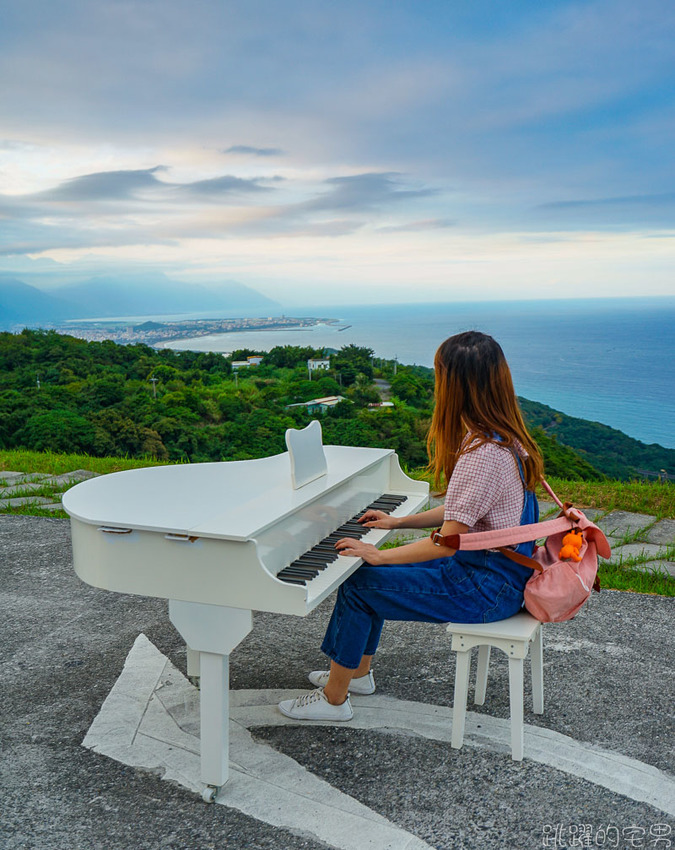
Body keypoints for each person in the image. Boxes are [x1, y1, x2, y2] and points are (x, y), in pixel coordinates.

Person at [278, 330, 544, 721]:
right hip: (497, 576)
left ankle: (334, 698)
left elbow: (447, 543)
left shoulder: (481, 455)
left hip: (484, 589)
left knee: (358, 584)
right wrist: (400, 521)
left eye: (439, 376)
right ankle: (358, 674)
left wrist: (380, 556)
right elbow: (461, 514)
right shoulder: (503, 440)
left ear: (455, 386)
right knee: (366, 574)